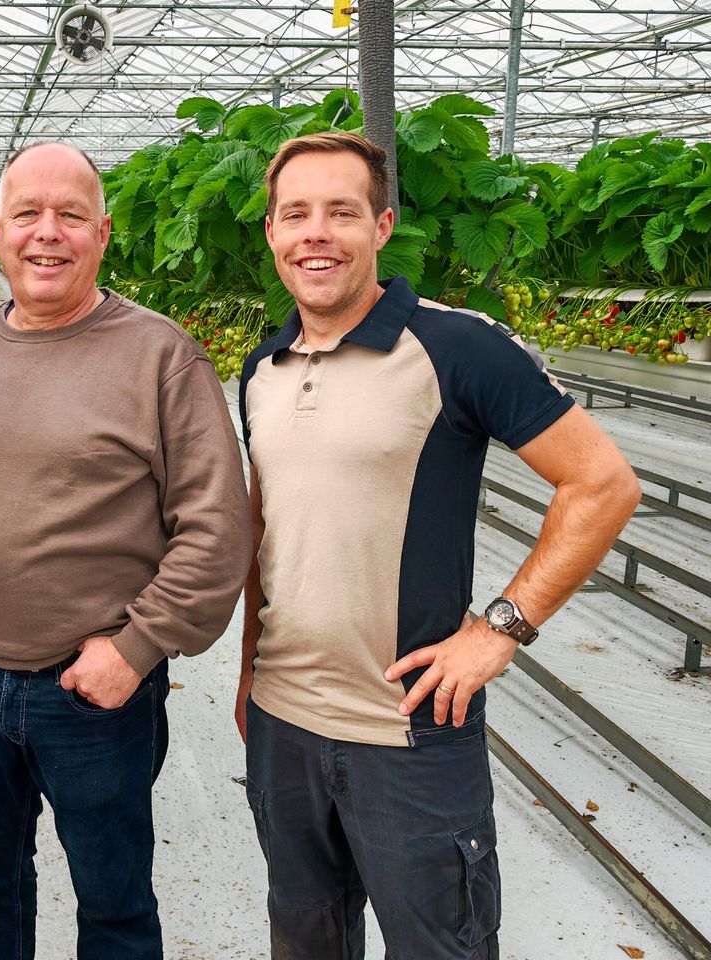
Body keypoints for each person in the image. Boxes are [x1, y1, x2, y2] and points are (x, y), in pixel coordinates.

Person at [236, 131, 640, 960]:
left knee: (439, 946)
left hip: (411, 734)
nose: (317, 233)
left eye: (341, 212)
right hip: (284, 727)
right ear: (273, 234)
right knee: (305, 941)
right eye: (296, 214)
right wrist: (248, 672)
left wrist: (499, 629)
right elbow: (264, 536)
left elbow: (602, 484)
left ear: (381, 226)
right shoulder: (261, 369)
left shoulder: (455, 346)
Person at [0, 141, 250, 960]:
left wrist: (134, 649)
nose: (46, 234)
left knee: (114, 902)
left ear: (102, 233)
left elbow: (217, 525)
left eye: (70, 215)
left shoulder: (160, 354)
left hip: (95, 692)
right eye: (27, 213)